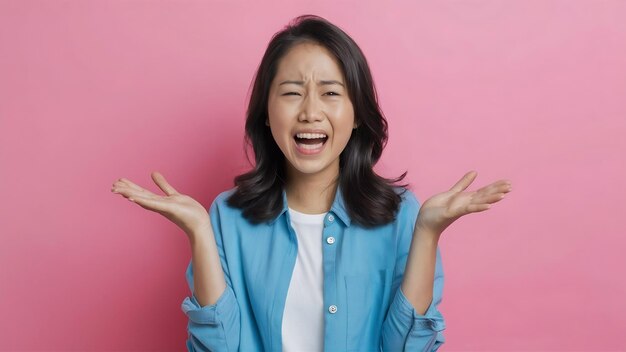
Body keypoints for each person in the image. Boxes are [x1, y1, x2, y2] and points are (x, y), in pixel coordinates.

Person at [111, 14, 512, 352]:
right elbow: (220, 347)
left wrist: (427, 232)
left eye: (330, 93)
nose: (310, 112)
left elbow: (407, 348)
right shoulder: (226, 216)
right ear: (267, 113)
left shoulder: (402, 215)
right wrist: (198, 231)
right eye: (291, 93)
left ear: (356, 114)